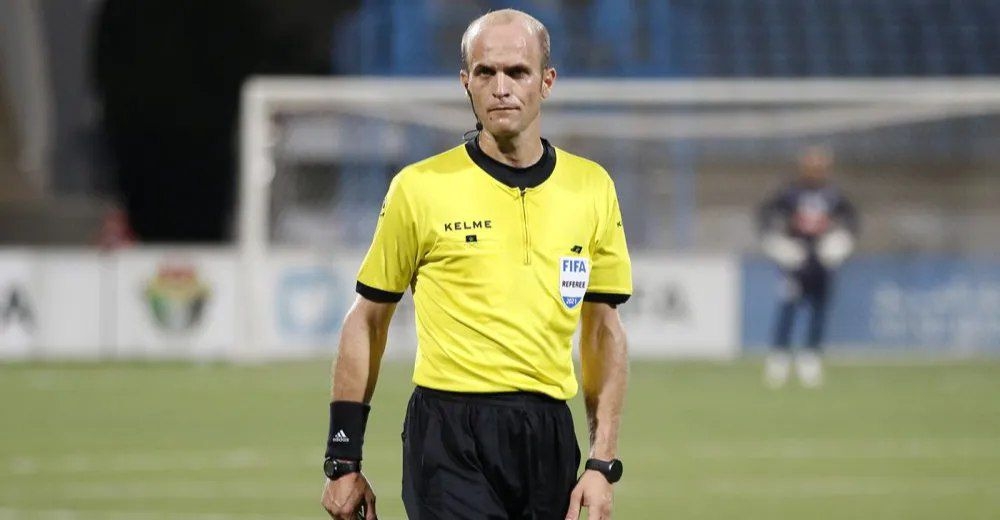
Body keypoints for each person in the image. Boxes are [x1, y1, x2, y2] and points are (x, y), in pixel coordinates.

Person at [320, 9, 632, 520]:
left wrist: (601, 464)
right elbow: (367, 320)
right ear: (466, 81)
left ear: (547, 81)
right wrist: (343, 457)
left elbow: (602, 331)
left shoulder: (591, 188)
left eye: (518, 72)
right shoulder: (419, 187)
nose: (501, 88)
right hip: (448, 435)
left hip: (548, 436)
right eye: (486, 72)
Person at [758, 145, 858, 388]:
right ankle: (779, 359)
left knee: (819, 311)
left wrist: (843, 240)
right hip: (795, 261)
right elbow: (766, 214)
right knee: (788, 309)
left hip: (821, 261)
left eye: (820, 166)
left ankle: (810, 358)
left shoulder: (832, 195)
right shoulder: (790, 193)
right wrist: (775, 242)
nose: (816, 170)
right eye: (811, 166)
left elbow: (851, 218)